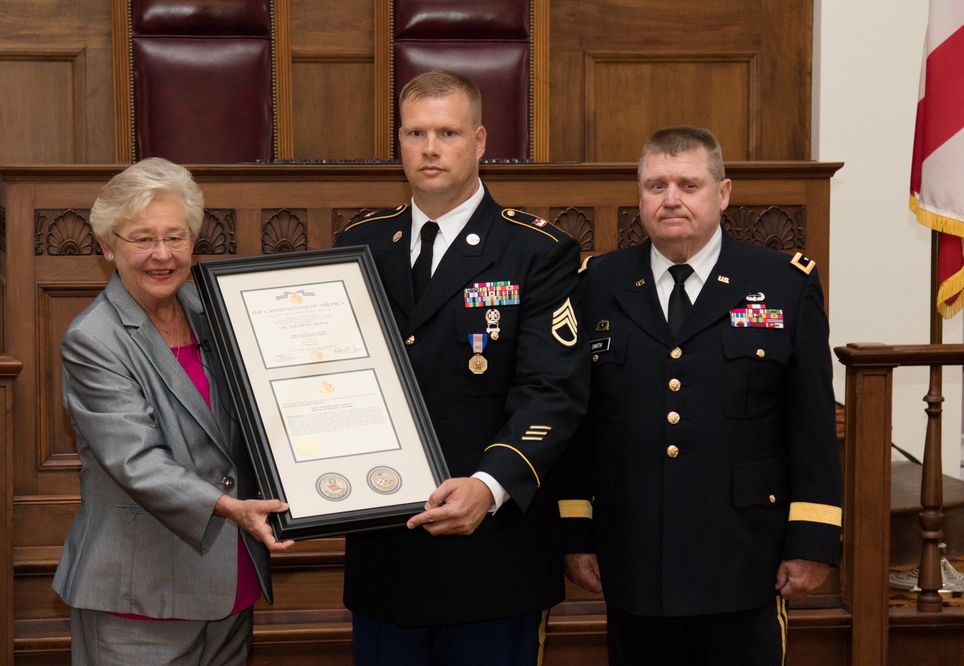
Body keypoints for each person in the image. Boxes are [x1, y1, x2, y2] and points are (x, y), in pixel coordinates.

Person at [333, 69, 589, 665]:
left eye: (446, 132)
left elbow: (554, 391)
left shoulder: (537, 251)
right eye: (415, 133)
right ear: (398, 142)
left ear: (478, 142)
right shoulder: (361, 243)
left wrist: (489, 485)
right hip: (385, 551)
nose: (429, 148)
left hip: (492, 554)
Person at [561, 126, 842, 665]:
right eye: (656, 185)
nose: (671, 200)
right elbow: (579, 422)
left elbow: (809, 423)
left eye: (688, 185)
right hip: (632, 553)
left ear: (723, 192)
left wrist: (812, 541)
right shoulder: (597, 284)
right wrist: (577, 530)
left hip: (743, 555)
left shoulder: (783, 283)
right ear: (639, 196)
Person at [52, 157, 294, 665]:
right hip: (140, 597)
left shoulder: (216, 308)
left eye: (176, 237)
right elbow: (135, 462)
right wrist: (231, 508)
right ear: (107, 245)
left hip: (230, 582)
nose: (161, 255)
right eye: (142, 238)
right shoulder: (94, 339)